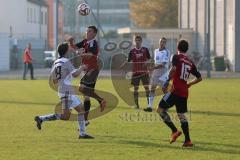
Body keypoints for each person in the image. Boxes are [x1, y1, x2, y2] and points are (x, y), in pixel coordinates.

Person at [34, 42, 95, 139]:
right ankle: (41, 118)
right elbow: (75, 74)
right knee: (66, 116)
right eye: (69, 48)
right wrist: (82, 68)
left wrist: (63, 77)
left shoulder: (56, 62)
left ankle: (82, 134)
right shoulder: (66, 61)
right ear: (66, 51)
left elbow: (54, 80)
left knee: (81, 110)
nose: (70, 50)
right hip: (66, 91)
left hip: (65, 90)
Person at [157, 39, 202, 147]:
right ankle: (188, 140)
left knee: (160, 109)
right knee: (181, 115)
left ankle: (174, 131)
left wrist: (167, 82)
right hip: (184, 92)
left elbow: (173, 69)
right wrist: (189, 84)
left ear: (177, 48)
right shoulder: (190, 62)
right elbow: (199, 78)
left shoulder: (175, 57)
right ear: (186, 49)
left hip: (174, 90)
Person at [68, 26, 106, 126]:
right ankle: (85, 121)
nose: (87, 32)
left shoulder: (94, 43)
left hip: (92, 69)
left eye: (89, 31)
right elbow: (74, 48)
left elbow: (90, 55)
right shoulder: (85, 41)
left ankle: (101, 100)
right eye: (86, 31)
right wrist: (71, 42)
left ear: (94, 34)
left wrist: (81, 53)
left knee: (81, 89)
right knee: (86, 96)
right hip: (87, 69)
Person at [120, 35, 151, 109]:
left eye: (138, 40)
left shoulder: (145, 50)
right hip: (135, 73)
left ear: (141, 41)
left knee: (146, 88)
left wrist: (147, 62)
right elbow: (128, 60)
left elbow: (149, 59)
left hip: (144, 72)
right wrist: (123, 65)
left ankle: (149, 105)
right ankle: (137, 105)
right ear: (134, 41)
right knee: (135, 89)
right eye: (136, 40)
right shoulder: (132, 51)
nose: (137, 42)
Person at [144, 37, 170, 112]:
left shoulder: (167, 51)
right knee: (152, 88)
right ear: (159, 42)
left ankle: (166, 106)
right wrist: (150, 66)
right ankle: (149, 107)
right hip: (156, 71)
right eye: (161, 41)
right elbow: (155, 61)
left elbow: (163, 64)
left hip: (163, 72)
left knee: (164, 90)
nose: (162, 43)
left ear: (165, 43)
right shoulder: (156, 51)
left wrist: (153, 68)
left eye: (164, 42)